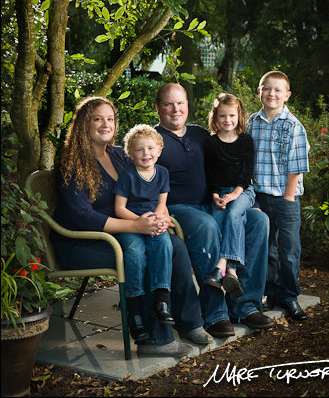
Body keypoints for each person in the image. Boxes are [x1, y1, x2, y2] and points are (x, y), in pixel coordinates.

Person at [51, 96, 213, 358]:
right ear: (83, 125)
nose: (106, 124)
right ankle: (154, 341)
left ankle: (188, 322)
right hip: (82, 240)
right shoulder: (72, 164)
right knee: (146, 254)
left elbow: (147, 192)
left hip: (126, 229)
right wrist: (136, 225)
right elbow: (82, 216)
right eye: (98, 119)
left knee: (175, 246)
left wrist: (158, 217)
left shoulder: (118, 155)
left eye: (110, 119)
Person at [155, 83, 275, 338]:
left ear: (187, 105)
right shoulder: (153, 139)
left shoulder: (201, 135)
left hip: (217, 202)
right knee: (206, 225)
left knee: (259, 220)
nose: (176, 109)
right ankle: (215, 314)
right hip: (180, 208)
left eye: (180, 103)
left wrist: (236, 195)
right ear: (158, 108)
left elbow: (232, 163)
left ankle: (245, 305)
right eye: (169, 104)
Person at [247, 70, 310, 321]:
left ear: (287, 95)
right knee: (268, 249)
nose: (271, 93)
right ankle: (270, 291)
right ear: (259, 92)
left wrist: (286, 199)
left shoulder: (293, 125)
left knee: (289, 250)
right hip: (260, 196)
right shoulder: (252, 122)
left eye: (277, 90)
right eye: (266, 88)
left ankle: (289, 295)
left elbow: (296, 168)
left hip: (286, 197)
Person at [113, 124, 174, 341]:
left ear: (159, 150)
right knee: (134, 251)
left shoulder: (163, 173)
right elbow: (119, 208)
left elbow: (161, 203)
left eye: (150, 148)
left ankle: (161, 300)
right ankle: (135, 311)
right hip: (131, 223)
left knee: (165, 245)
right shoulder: (128, 176)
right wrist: (139, 223)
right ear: (130, 154)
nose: (146, 153)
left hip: (153, 222)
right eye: (139, 150)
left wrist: (158, 221)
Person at [203, 93, 256, 300]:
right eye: (222, 116)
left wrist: (235, 194)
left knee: (234, 214)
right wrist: (216, 195)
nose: (227, 120)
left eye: (232, 116)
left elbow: (246, 173)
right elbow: (212, 173)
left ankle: (221, 266)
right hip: (221, 192)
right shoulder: (210, 143)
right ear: (215, 117)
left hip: (244, 191)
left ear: (239, 116)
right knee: (217, 222)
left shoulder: (245, 141)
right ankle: (232, 273)